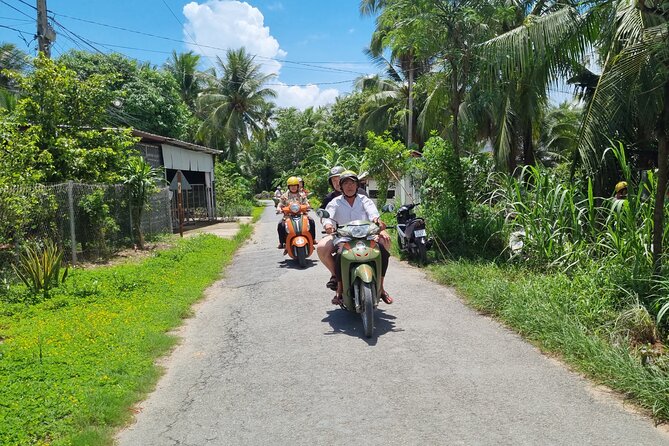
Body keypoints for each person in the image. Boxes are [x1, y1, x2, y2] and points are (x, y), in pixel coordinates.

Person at [316, 170, 393, 305]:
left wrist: (377, 221)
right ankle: (339, 289)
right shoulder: (335, 202)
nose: (349, 186)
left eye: (352, 183)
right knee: (340, 255)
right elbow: (328, 216)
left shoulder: (364, 200)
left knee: (383, 251)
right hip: (344, 237)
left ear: (357, 185)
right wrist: (328, 225)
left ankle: (381, 288)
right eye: (345, 183)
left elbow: (373, 214)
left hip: (366, 235)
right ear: (341, 187)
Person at [276, 176, 315, 248]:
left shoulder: (302, 195)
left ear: (297, 186)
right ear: (288, 187)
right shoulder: (284, 196)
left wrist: (308, 206)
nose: (293, 187)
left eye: (295, 185)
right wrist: (279, 208)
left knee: (311, 221)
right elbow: (280, 204)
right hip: (288, 216)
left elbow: (306, 203)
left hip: (302, 215)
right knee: (280, 225)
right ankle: (282, 242)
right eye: (291, 186)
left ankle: (312, 239)